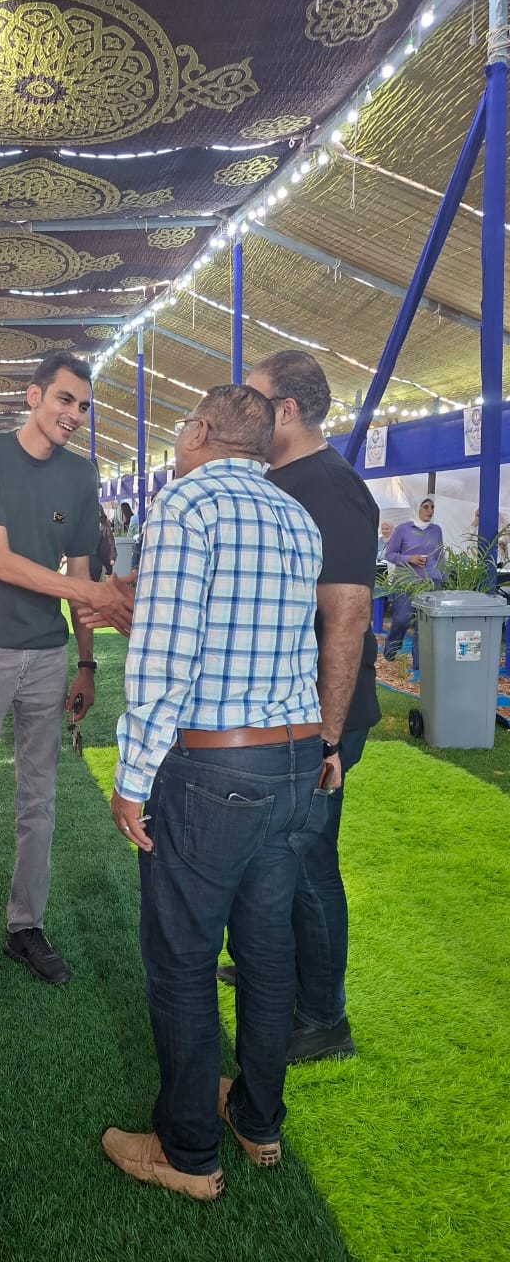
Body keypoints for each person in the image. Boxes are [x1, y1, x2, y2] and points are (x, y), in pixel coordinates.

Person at [102, 385, 324, 1200]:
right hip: (294, 760)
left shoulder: (187, 505)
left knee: (183, 960)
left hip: (213, 770)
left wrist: (131, 779)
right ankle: (258, 1120)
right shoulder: (295, 515)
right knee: (266, 954)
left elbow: (166, 660)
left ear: (198, 430)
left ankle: (189, 1151)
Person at [0, 351, 135, 1019]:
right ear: (34, 395)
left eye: (84, 406)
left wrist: (87, 662)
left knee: (38, 801)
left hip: (47, 656)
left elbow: (79, 566)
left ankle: (25, 927)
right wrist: (97, 595)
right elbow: (2, 561)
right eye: (65, 399)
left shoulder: (81, 473)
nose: (75, 414)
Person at [236, 349, 380, 1064]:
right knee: (278, 855)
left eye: (254, 400)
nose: (243, 412)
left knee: (309, 858)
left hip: (320, 717)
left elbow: (347, 617)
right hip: (283, 710)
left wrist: (327, 737)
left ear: (286, 411)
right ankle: (282, 974)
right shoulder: (279, 479)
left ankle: (324, 1019)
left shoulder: (330, 487)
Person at [382, 497, 444, 667]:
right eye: (426, 507)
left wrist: (443, 579)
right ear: (417, 508)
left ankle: (418, 663)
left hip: (430, 583)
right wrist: (409, 558)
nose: (430, 511)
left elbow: (440, 556)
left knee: (423, 625)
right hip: (406, 583)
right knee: (402, 619)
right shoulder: (403, 529)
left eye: (432, 507)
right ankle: (391, 647)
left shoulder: (436, 530)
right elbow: (390, 554)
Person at [88, 509, 116, 582]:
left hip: (93, 563)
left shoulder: (103, 528)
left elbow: (110, 543)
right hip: (96, 564)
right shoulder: (103, 529)